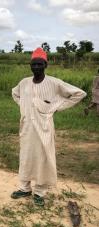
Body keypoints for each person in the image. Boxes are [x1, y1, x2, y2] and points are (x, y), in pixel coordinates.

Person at [11, 48, 87, 206]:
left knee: (43, 157)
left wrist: (56, 107)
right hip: (26, 127)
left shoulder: (54, 83)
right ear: (30, 66)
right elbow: (15, 93)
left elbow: (79, 94)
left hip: (44, 127)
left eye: (40, 64)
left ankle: (39, 191)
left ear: (46, 65)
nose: (36, 67)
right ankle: (24, 188)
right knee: (26, 157)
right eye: (34, 64)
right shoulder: (24, 82)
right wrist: (24, 106)